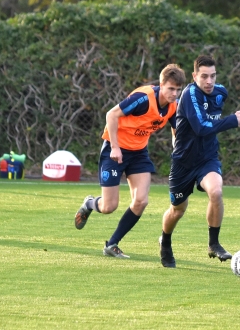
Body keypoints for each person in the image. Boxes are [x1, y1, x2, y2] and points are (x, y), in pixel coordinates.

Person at [73, 64, 186, 258]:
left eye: (178, 90)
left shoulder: (173, 106)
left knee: (141, 201)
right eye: (171, 89)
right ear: (161, 85)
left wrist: (178, 148)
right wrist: (115, 147)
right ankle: (89, 204)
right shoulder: (143, 98)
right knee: (109, 207)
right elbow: (112, 114)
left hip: (139, 153)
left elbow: (176, 128)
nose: (174, 93)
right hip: (114, 148)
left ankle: (112, 244)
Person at [159, 55, 240, 268]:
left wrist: (227, 118)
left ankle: (214, 243)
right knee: (177, 210)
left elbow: (212, 119)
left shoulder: (220, 92)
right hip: (183, 162)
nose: (209, 81)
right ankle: (165, 242)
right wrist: (231, 120)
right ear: (194, 76)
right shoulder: (190, 95)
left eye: (213, 76)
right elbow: (200, 128)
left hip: (207, 159)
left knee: (216, 191)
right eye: (204, 76)